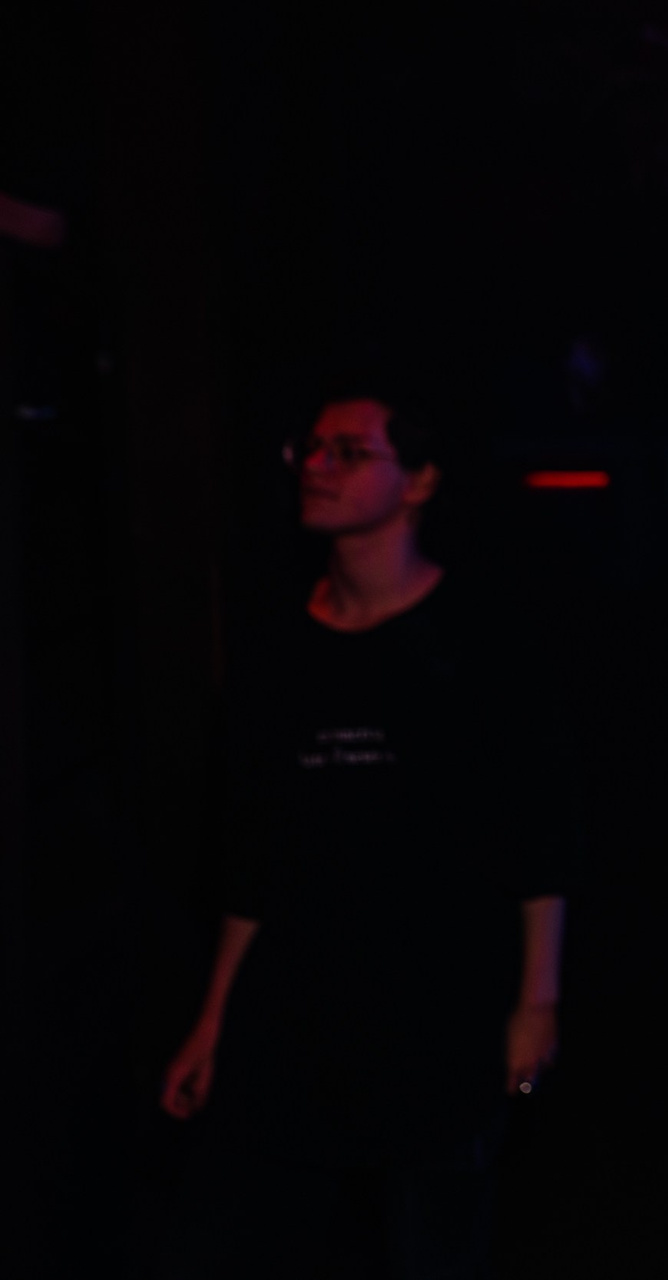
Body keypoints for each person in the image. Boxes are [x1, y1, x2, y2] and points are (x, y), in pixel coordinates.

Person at [158, 393, 570, 1278]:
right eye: (309, 448)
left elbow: (534, 833)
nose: (317, 466)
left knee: (434, 1246)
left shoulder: (479, 640)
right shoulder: (276, 648)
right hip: (300, 1022)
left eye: (348, 451)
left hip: (444, 1019)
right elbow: (250, 856)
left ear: (418, 482)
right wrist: (212, 1021)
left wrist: (536, 1003)